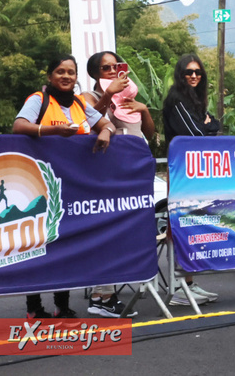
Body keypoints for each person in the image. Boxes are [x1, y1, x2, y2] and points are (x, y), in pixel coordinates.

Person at [12, 54, 116, 318]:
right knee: (37, 246)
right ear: (50, 76)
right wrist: (54, 131)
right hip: (39, 187)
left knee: (66, 246)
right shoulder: (39, 100)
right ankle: (34, 308)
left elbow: (105, 123)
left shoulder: (80, 103)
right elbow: (19, 126)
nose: (66, 76)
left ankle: (62, 305)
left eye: (71, 72)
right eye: (60, 71)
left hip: (72, 186)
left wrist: (105, 131)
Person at [80, 51, 155, 317]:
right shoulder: (89, 97)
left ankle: (104, 294)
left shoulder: (129, 97)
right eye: (106, 68)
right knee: (108, 232)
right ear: (94, 73)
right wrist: (108, 95)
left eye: (117, 66)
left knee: (126, 232)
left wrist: (144, 110)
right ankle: (102, 295)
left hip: (134, 172)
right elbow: (87, 122)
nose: (113, 71)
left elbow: (149, 134)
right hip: (107, 174)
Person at [162, 53, 220, 305]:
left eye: (198, 72)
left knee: (192, 226)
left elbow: (214, 125)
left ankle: (189, 283)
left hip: (195, 173)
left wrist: (209, 124)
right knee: (180, 226)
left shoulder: (195, 100)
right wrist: (208, 125)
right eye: (189, 72)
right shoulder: (176, 99)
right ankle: (177, 288)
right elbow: (196, 133)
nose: (194, 76)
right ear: (181, 74)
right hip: (181, 172)